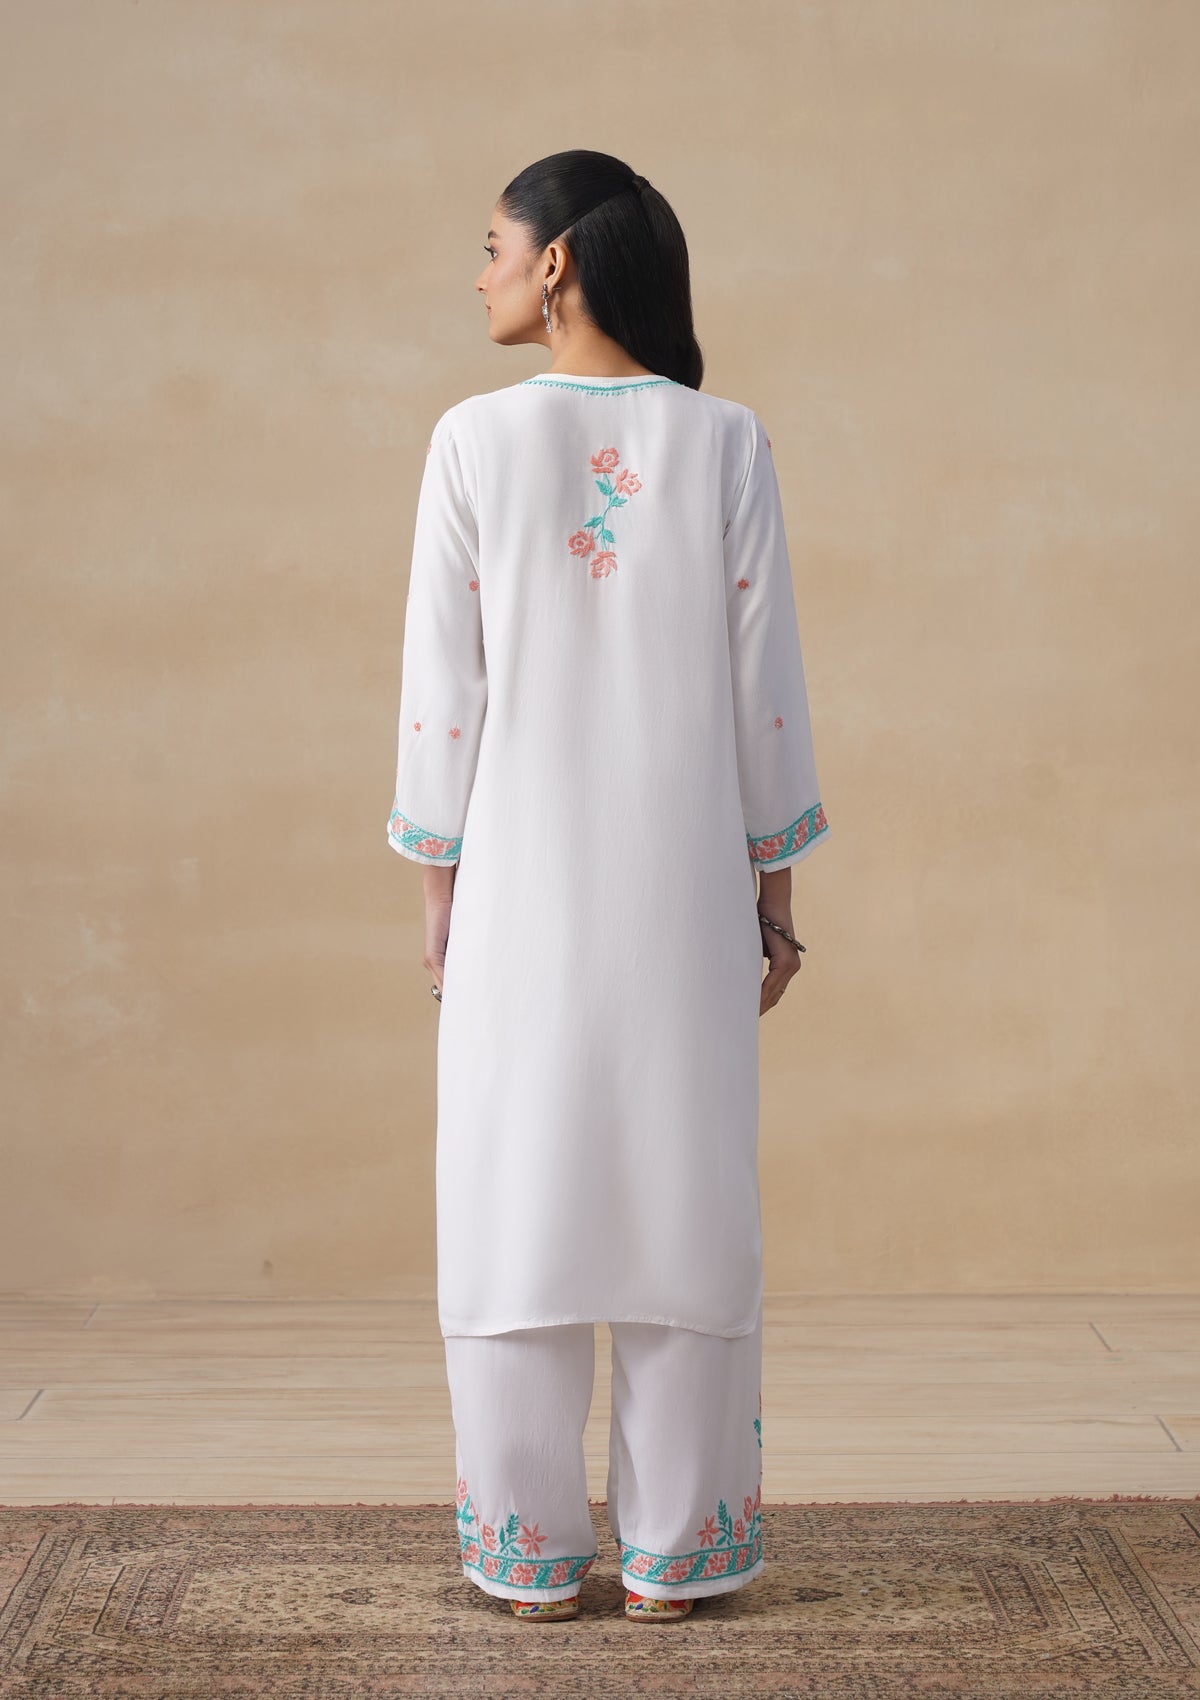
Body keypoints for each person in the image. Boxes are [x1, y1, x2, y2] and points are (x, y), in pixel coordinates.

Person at [385, 149, 831, 1624]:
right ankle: (677, 1555)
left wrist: (439, 890)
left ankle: (525, 1553)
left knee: (513, 1198)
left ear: (558, 259)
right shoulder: (728, 443)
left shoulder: (471, 441)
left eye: (492, 246)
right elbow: (765, 693)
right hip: (682, 894)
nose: (481, 274)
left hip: (518, 895)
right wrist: (773, 899)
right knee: (684, 1200)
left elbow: (443, 694)